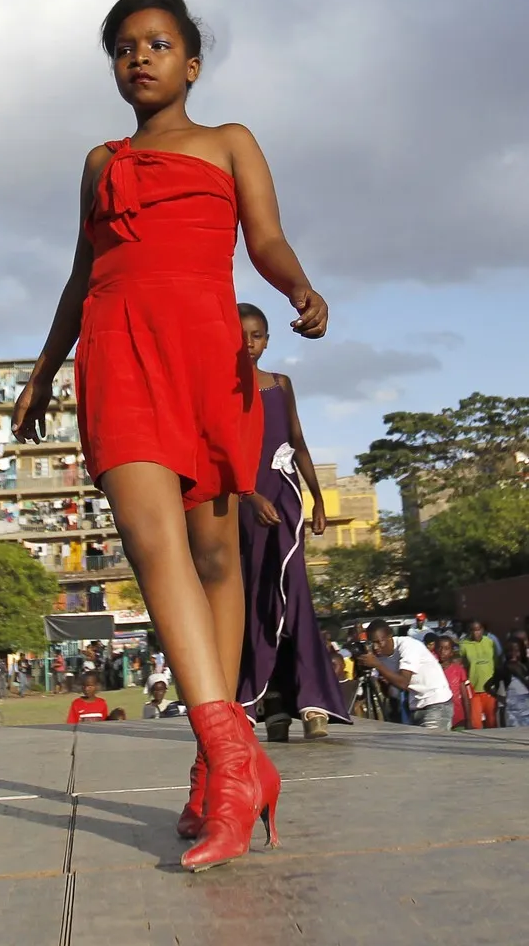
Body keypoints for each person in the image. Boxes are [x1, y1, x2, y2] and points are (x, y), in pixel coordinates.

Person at [11, 0, 329, 871]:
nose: (137, 57)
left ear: (191, 62)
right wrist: (43, 369)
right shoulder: (99, 161)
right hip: (117, 347)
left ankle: (211, 765)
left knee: (217, 553)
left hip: (205, 351)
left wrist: (296, 286)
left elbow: (264, 238)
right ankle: (236, 762)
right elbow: (83, 274)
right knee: (155, 546)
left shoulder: (231, 142)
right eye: (122, 47)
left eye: (155, 44)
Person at [235, 304, 351, 743]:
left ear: (268, 340)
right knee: (254, 600)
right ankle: (269, 702)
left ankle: (313, 700)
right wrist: (248, 495)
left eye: (258, 335)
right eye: (242, 334)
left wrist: (317, 497)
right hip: (244, 504)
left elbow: (297, 443)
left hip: (285, 499)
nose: (249, 342)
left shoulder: (282, 384)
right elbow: (218, 449)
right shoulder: (219, 385)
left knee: (294, 593)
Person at [358, 620, 453, 729]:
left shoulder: (408, 646)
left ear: (390, 637)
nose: (375, 647)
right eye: (372, 643)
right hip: (415, 706)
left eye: (379, 642)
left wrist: (378, 665)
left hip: (436, 703)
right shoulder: (379, 656)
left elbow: (403, 682)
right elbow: (391, 691)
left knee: (431, 744)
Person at [460, 620, 499, 729]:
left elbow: (497, 662)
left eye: (478, 630)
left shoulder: (490, 642)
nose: (476, 633)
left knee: (492, 723)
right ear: (469, 631)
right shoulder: (463, 645)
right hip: (474, 690)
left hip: (490, 690)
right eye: (473, 630)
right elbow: (462, 665)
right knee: (476, 724)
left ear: (483, 630)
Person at [486, 638, 529, 728]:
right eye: (509, 651)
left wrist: (519, 675)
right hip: (512, 715)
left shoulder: (525, 666)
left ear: (522, 651)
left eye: (517, 651)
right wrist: (499, 698)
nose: (513, 654)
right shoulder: (503, 669)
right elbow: (487, 686)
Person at [436, 636, 471, 730]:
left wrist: (468, 719)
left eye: (446, 649)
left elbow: (465, 697)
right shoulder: (432, 669)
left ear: (451, 652)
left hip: (458, 717)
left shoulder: (458, 670)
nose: (442, 651)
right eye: (440, 648)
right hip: (439, 718)